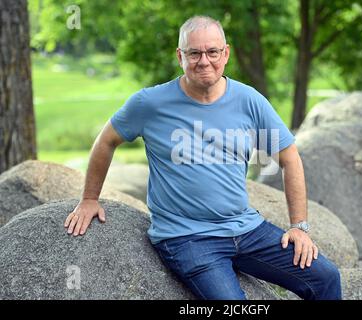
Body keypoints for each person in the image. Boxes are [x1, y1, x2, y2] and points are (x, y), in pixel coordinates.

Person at [64, 15, 342, 300]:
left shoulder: (249, 101)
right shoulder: (150, 104)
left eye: (212, 52)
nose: (204, 61)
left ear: (226, 54)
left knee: (326, 278)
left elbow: (289, 157)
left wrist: (299, 227)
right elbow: (106, 141)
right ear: (179, 56)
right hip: (187, 238)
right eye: (194, 53)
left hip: (246, 229)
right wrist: (89, 198)